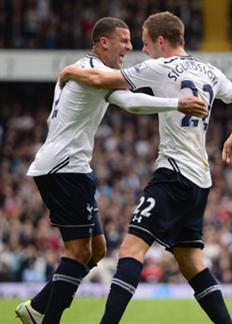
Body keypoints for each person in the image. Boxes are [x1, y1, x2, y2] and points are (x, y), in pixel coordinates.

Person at [60, 11, 232, 324]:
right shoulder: (209, 70)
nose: (143, 50)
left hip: (173, 174)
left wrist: (71, 70)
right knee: (191, 261)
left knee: (131, 248)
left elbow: (102, 79)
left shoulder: (159, 66)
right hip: (200, 180)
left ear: (161, 41)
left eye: (146, 43)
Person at [15, 17, 207, 324]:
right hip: (65, 169)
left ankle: (38, 307)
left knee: (97, 249)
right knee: (78, 252)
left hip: (71, 167)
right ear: (104, 42)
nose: (130, 47)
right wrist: (176, 103)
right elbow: (130, 103)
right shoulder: (95, 71)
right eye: (124, 40)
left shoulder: (81, 67)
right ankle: (44, 319)